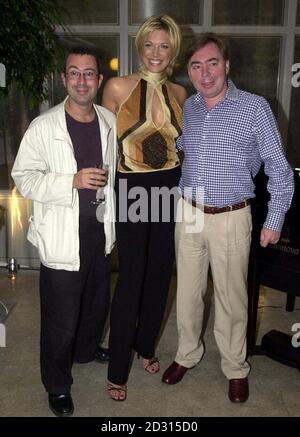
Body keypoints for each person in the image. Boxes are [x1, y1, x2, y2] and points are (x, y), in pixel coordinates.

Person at [162, 33, 294, 403]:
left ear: (227, 65)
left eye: (212, 63)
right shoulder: (189, 107)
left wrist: (274, 220)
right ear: (189, 71)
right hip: (189, 211)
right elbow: (186, 146)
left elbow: (278, 170)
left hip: (232, 216)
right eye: (196, 66)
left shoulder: (254, 108)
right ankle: (187, 354)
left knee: (232, 299)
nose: (205, 74)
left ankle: (235, 367)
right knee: (187, 293)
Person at [11, 47, 117, 416]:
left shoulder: (109, 120)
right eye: (74, 73)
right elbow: (23, 178)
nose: (82, 80)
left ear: (99, 80)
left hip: (99, 232)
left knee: (95, 305)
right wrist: (70, 180)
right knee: (60, 318)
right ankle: (57, 384)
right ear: (63, 79)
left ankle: (86, 352)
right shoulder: (44, 126)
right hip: (61, 235)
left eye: (89, 74)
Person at [101, 15, 187, 401]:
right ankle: (118, 368)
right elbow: (103, 146)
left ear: (173, 51)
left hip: (169, 187)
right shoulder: (117, 87)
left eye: (164, 46)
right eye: (149, 45)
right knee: (132, 277)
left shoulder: (181, 94)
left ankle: (146, 347)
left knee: (160, 275)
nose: (156, 53)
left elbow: (182, 149)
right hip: (132, 187)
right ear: (139, 48)